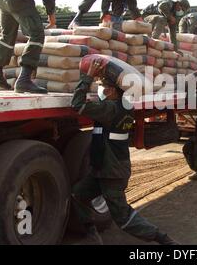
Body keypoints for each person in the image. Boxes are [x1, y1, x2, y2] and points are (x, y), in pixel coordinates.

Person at [71, 59, 177, 245]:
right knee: (78, 195)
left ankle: (163, 239)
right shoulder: (124, 106)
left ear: (111, 91)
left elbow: (77, 104)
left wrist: (87, 78)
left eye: (103, 86)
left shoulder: (110, 109)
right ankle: (91, 233)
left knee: (123, 217)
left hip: (111, 172)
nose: (100, 89)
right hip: (103, 169)